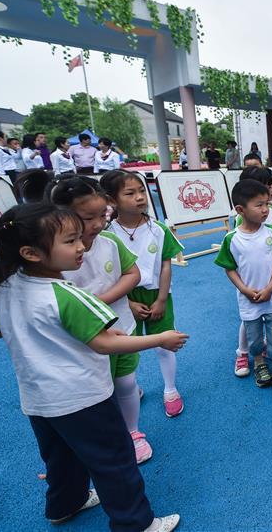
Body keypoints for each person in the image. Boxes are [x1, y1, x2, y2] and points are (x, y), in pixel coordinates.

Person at [0, 202, 183, 532]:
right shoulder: (67, 294)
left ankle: (65, 504)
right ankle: (137, 524)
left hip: (38, 399)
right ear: (31, 252)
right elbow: (104, 343)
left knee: (60, 457)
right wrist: (160, 339)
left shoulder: (2, 288)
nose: (81, 247)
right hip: (84, 397)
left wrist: (31, 325)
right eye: (70, 241)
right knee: (114, 461)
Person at [50, 176, 155, 464]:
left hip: (121, 329)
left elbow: (132, 274)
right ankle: (106, 438)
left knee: (126, 383)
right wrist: (92, 308)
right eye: (88, 218)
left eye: (103, 215)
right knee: (98, 395)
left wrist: (99, 302)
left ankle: (132, 432)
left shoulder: (109, 241)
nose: (98, 224)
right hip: (83, 342)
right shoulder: (54, 255)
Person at [101, 170, 186, 418]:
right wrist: (128, 303)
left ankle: (170, 389)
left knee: (165, 344)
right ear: (112, 200)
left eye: (141, 191)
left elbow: (166, 265)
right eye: (130, 193)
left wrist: (161, 299)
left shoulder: (158, 229)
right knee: (127, 348)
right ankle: (130, 387)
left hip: (157, 295)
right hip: (123, 299)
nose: (139, 197)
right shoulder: (107, 234)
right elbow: (109, 275)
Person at [215, 180, 272, 396]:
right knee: (254, 337)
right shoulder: (232, 239)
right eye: (259, 205)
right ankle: (258, 363)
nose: (266, 209)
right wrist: (244, 289)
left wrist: (270, 288)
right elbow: (230, 269)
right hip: (249, 299)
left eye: (267, 203)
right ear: (240, 210)